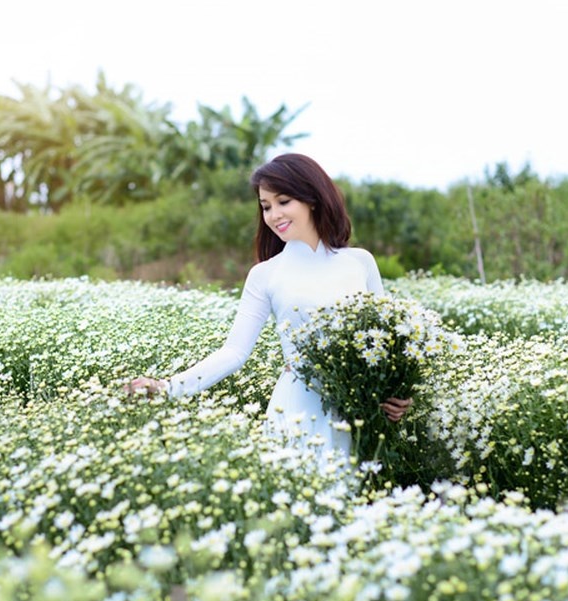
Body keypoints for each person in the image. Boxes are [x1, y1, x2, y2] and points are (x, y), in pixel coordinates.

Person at [126, 153, 412, 465]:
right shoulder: (265, 274)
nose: (274, 215)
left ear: (312, 199)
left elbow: (384, 340)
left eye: (283, 201)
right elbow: (234, 351)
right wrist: (169, 387)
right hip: (298, 408)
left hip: (358, 413)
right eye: (266, 206)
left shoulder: (359, 262)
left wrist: (398, 394)